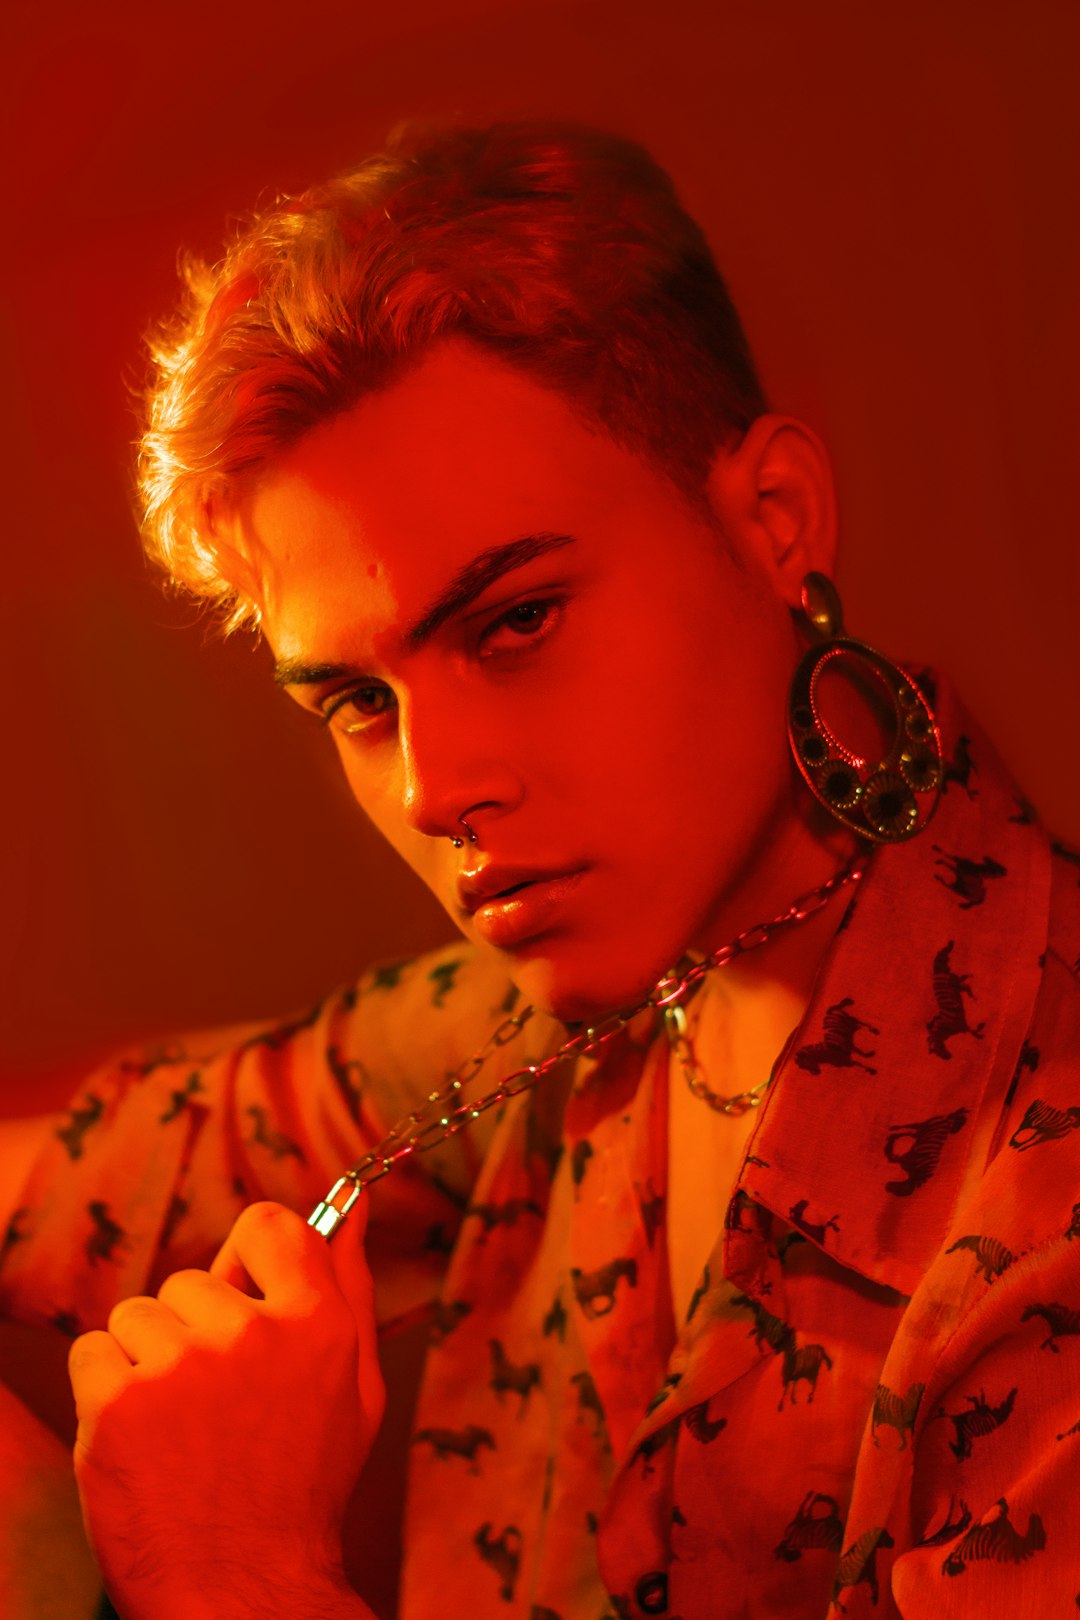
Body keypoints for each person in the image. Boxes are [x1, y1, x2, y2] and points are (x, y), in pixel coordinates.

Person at [1, 119, 1078, 1620]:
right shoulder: (555, 1016)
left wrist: (227, 1566)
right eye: (359, 706)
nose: (439, 789)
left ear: (774, 521)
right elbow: (107, 1175)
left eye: (515, 623)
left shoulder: (1042, 1218)